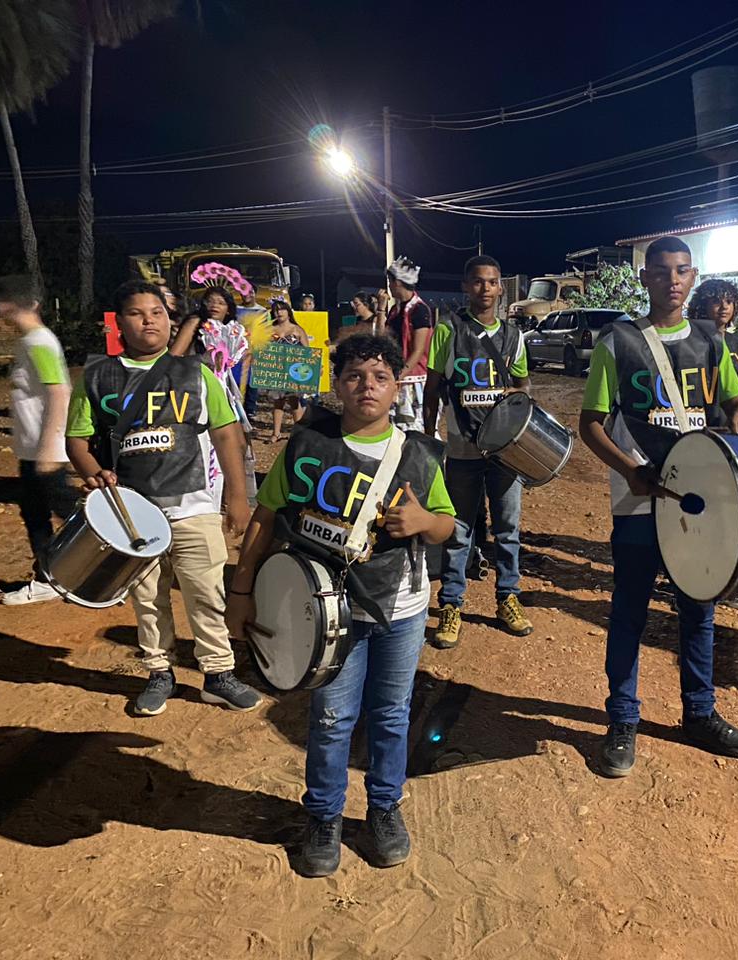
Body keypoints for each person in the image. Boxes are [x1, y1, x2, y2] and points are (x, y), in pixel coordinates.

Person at [226, 333, 455, 878]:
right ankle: (324, 816)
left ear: (397, 388)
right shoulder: (307, 444)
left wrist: (424, 521)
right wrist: (241, 589)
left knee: (391, 714)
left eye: (380, 378)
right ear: (338, 384)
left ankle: (384, 809)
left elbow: (447, 525)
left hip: (401, 607)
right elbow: (265, 515)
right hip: (324, 612)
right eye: (354, 376)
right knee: (331, 717)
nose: (366, 387)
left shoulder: (420, 455)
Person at [578, 235, 738, 778]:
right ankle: (622, 720)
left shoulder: (711, 341)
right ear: (645, 279)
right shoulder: (618, 341)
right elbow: (590, 424)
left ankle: (699, 713)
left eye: (682, 271)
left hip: (700, 499)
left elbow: (733, 398)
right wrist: (629, 470)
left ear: (693, 276)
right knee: (630, 613)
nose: (672, 281)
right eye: (661, 272)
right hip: (639, 500)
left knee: (698, 611)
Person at [65, 281, 260, 716]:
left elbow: (227, 433)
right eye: (137, 313)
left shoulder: (195, 372)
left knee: (206, 592)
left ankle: (218, 674)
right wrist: (93, 473)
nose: (149, 321)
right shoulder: (96, 376)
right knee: (148, 597)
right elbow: (77, 439)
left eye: (157, 312)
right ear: (119, 323)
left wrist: (237, 497)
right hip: (131, 511)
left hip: (194, 504)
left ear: (170, 320)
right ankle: (159, 672)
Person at [423, 254, 533, 648]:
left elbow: (523, 386)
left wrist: (517, 399)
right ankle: (451, 604)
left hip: (505, 451)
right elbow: (432, 388)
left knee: (507, 529)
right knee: (459, 529)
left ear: (501, 288)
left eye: (492, 281)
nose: (485, 288)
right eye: (477, 281)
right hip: (462, 448)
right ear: (465, 286)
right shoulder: (448, 330)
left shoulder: (514, 337)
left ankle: (508, 598)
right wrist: (430, 435)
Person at [0, 275, 76, 606]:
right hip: (34, 449)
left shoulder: (37, 342)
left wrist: (48, 449)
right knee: (39, 514)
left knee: (67, 516)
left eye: (3, 304)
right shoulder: (32, 340)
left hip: (44, 451)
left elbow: (59, 392)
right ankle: (52, 577)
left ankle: (109, 568)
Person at [687, 277, 738, 613]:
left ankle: (725, 578)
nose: (724, 306)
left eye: (729, 300)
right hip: (698, 431)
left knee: (728, 507)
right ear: (702, 304)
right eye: (716, 300)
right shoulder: (691, 338)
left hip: (728, 435)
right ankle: (688, 577)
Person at [172, 287, 258, 503]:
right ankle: (210, 495)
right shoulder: (196, 323)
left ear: (229, 308)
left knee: (239, 443)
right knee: (209, 441)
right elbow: (175, 355)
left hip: (224, 388)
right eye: (210, 301)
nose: (214, 306)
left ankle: (230, 496)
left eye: (220, 302)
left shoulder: (233, 329)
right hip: (198, 384)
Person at [384, 256, 433, 431]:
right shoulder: (396, 309)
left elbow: (418, 350)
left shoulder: (419, 310)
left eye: (390, 282)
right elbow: (382, 337)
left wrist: (399, 376)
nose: (389, 286)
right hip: (396, 375)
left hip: (414, 379)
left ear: (397, 282)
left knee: (414, 426)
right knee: (396, 426)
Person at [261, 299, 311, 443]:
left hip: (294, 370)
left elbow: (308, 352)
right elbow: (262, 349)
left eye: (282, 309)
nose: (279, 312)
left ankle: (300, 434)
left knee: (294, 401)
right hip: (276, 369)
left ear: (288, 311)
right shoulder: (270, 329)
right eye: (276, 310)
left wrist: (312, 368)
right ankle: (276, 433)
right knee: (278, 401)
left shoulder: (297, 329)